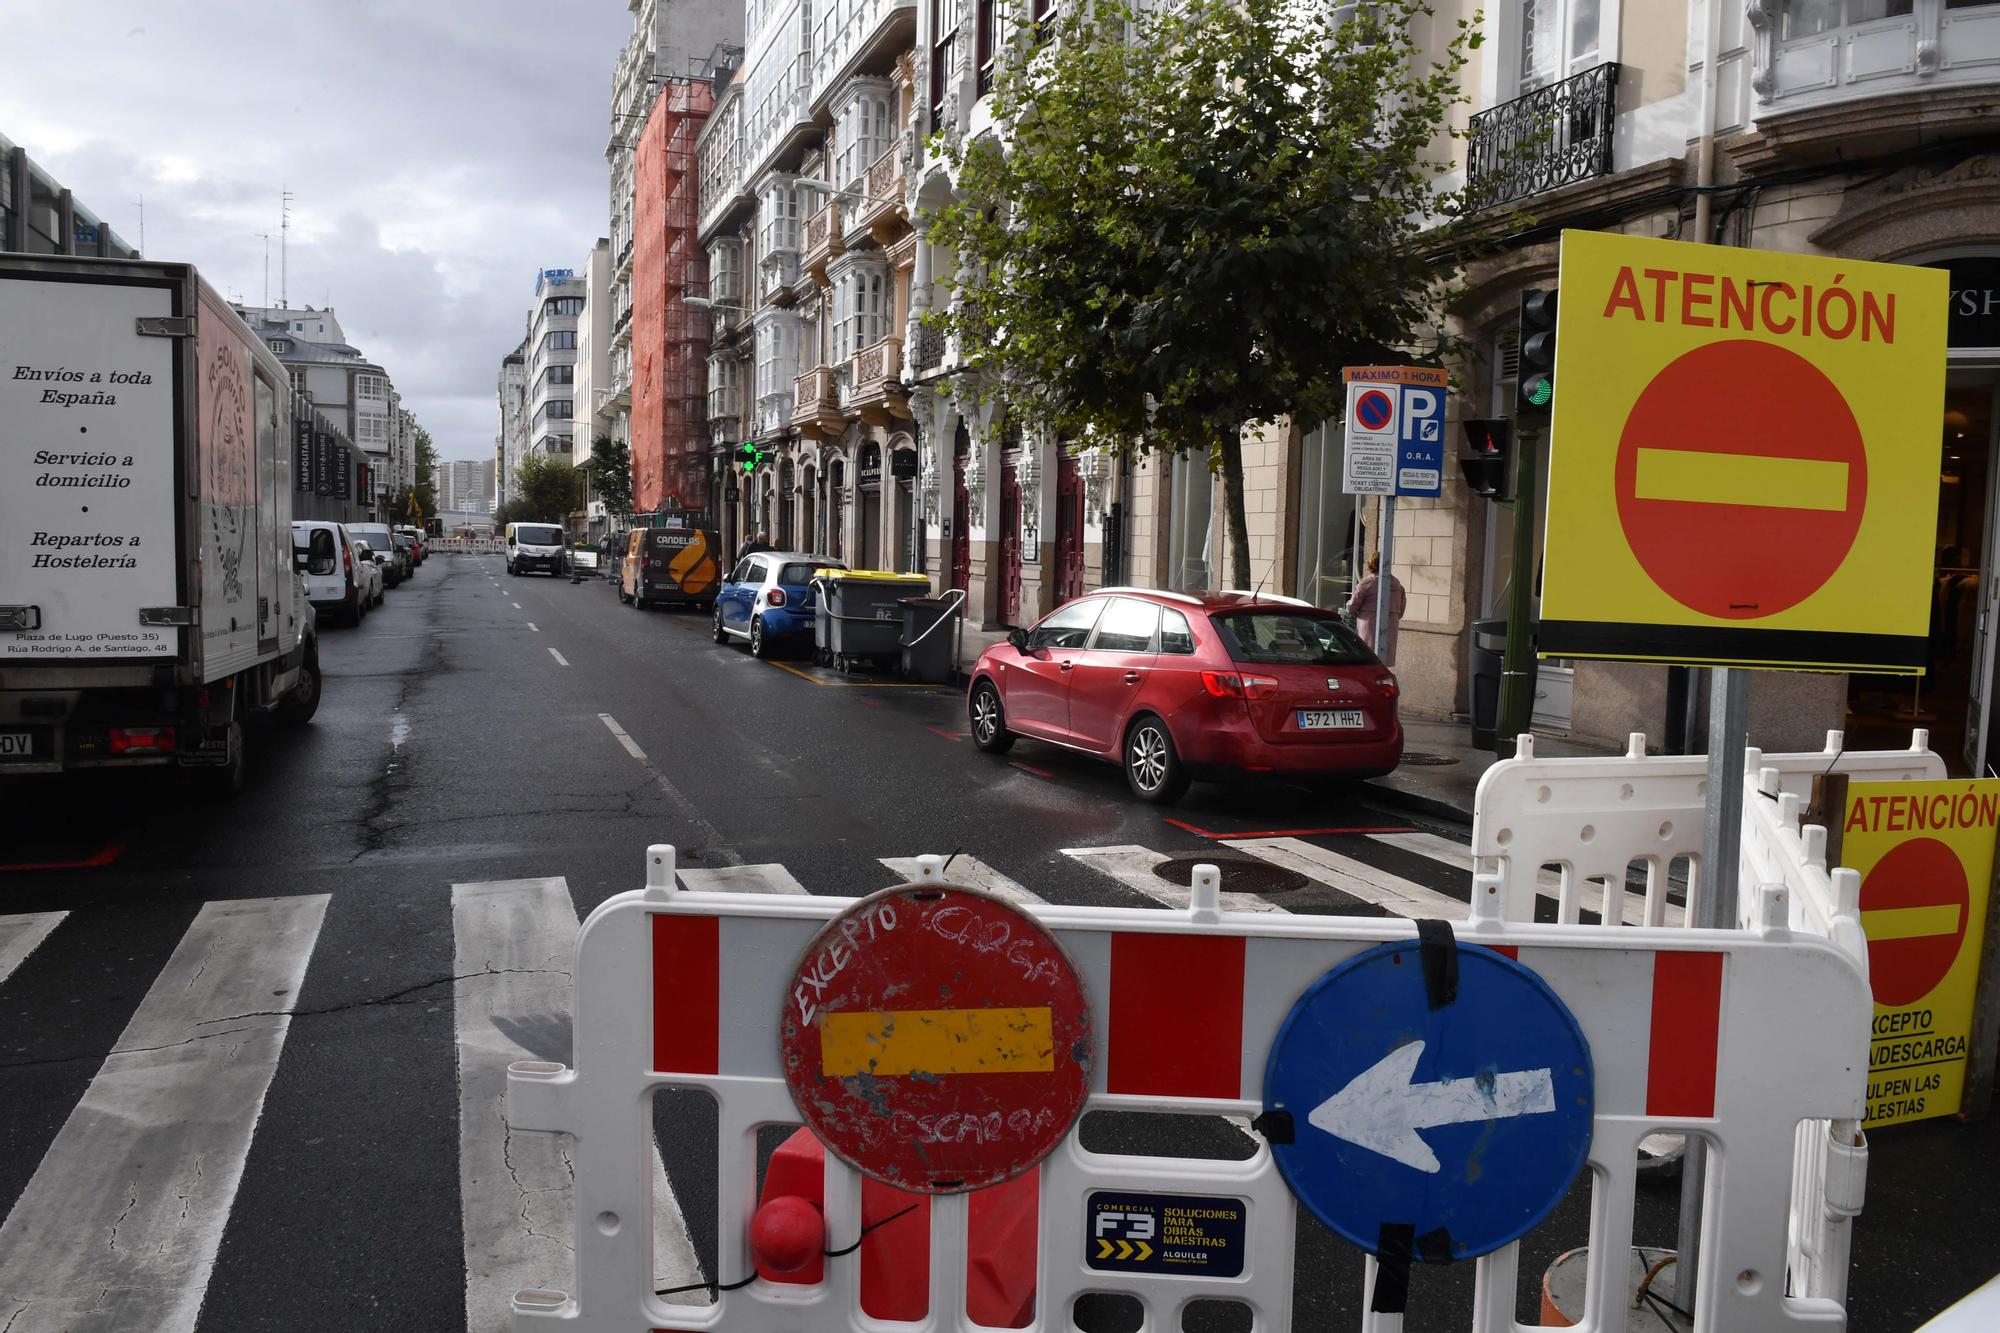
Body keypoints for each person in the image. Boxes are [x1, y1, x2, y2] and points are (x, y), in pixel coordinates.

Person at [1346, 551, 1406, 666]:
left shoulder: (1368, 582)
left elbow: (1351, 606)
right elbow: (1401, 610)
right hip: (1390, 626)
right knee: (1382, 663)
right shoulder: (1397, 585)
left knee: (1368, 659)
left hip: (1369, 625)